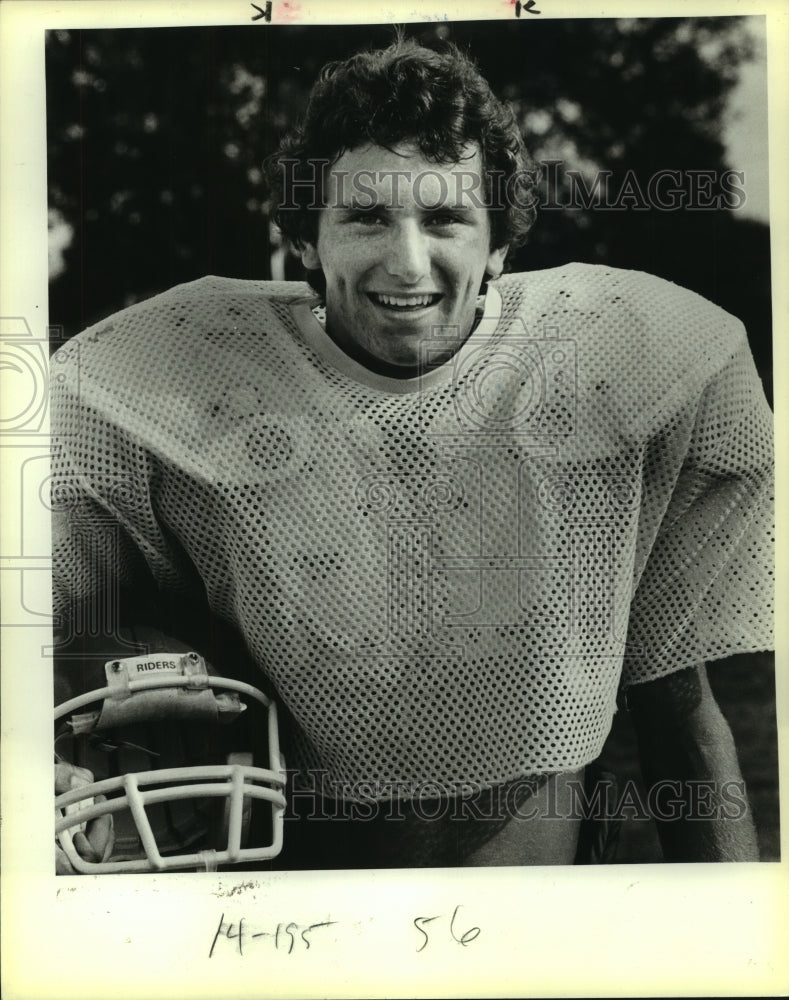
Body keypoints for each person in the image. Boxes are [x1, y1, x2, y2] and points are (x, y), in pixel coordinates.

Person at [51, 38, 774, 870]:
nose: (406, 261)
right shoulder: (171, 392)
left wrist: (739, 953)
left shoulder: (613, 371)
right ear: (307, 241)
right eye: (365, 216)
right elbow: (63, 644)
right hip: (296, 925)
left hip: (537, 919)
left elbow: (679, 712)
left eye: (444, 218)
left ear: (498, 246)